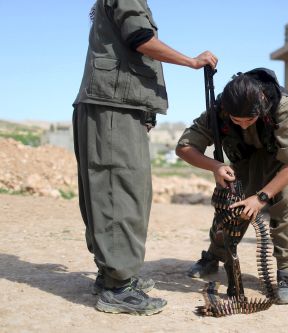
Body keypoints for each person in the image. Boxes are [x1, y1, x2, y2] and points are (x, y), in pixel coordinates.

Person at [73, 0, 217, 315]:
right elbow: (140, 39)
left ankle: (113, 275)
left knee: (128, 193)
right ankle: (117, 287)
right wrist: (192, 62)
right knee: (119, 194)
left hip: (120, 105)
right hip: (113, 106)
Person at [176, 68, 288, 304]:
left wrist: (262, 197)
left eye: (248, 120)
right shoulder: (219, 109)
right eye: (235, 120)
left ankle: (287, 272)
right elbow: (184, 147)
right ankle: (214, 255)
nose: (241, 126)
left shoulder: (281, 107)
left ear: (261, 105)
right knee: (232, 204)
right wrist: (215, 166)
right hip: (247, 156)